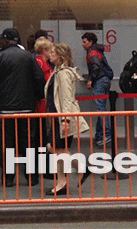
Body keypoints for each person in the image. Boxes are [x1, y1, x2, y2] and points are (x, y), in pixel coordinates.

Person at [0, 28, 46, 187]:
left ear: (5, 40)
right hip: (27, 108)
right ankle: (31, 177)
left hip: (5, 108)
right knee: (28, 143)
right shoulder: (27, 56)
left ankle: (8, 178)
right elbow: (39, 77)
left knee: (7, 144)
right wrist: (37, 96)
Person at [44, 43, 91, 195]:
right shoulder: (58, 72)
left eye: (53, 52)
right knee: (55, 148)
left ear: (61, 55)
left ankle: (62, 182)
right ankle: (79, 170)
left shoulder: (63, 74)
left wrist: (66, 120)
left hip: (61, 117)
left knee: (57, 149)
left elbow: (66, 98)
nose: (50, 54)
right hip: (57, 116)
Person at [82, 32, 113, 147]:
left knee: (100, 109)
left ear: (90, 42)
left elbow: (95, 66)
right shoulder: (97, 50)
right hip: (104, 79)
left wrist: (90, 79)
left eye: (84, 42)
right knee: (101, 108)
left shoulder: (92, 52)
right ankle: (100, 136)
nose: (82, 44)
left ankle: (107, 135)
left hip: (99, 80)